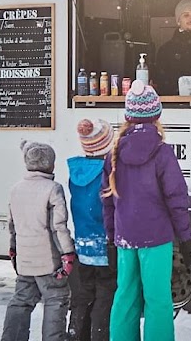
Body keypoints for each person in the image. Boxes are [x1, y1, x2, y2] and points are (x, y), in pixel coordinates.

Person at [101, 80, 191, 341]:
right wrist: (186, 237)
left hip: (125, 238)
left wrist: (111, 237)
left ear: (128, 116)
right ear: (157, 115)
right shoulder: (162, 152)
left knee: (125, 298)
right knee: (157, 301)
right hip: (155, 238)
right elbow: (176, 198)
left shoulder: (113, 154)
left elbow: (107, 202)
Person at [1, 140, 76, 341]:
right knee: (56, 299)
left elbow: (12, 225)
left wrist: (13, 250)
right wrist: (67, 254)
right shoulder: (53, 188)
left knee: (21, 301)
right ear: (51, 164)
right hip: (49, 262)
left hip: (25, 259)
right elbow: (58, 226)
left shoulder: (16, 189)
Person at [66, 119, 117, 341]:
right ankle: (100, 335)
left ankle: (76, 333)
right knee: (105, 294)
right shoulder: (109, 173)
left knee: (83, 294)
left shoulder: (76, 172)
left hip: (83, 245)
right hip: (104, 246)